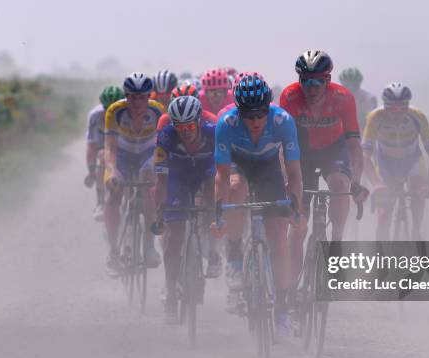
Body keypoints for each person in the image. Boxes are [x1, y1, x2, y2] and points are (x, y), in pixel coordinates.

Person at [210, 74, 303, 337]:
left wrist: (297, 210)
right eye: (248, 115)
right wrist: (219, 215)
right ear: (238, 111)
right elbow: (221, 176)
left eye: (260, 113)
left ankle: (283, 308)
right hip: (239, 164)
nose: (254, 121)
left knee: (279, 241)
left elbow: (294, 173)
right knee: (237, 188)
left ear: (268, 108)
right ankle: (235, 254)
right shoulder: (226, 123)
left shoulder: (283, 121)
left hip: (269, 167)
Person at [280, 50, 368, 292]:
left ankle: (336, 243)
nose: (312, 87)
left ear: (328, 80)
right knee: (298, 227)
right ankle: (289, 287)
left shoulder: (343, 98)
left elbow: (353, 145)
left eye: (318, 80)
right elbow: (283, 145)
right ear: (300, 81)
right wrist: (287, 181)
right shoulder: (289, 97)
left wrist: (356, 182)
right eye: (306, 81)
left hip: (333, 149)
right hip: (302, 152)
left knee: (341, 184)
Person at [154, 96, 220, 324]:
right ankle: (171, 291)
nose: (186, 132)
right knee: (174, 236)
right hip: (178, 178)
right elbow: (161, 181)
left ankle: (213, 251)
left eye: (190, 126)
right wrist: (159, 213)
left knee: (212, 199)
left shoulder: (213, 133)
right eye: (180, 127)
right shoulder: (165, 136)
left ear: (200, 121)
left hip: (205, 174)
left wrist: (215, 212)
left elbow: (218, 177)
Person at [103, 72, 165, 272]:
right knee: (113, 195)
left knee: (149, 189)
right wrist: (112, 172)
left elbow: (162, 147)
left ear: (149, 96)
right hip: (122, 155)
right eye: (132, 97)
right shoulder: (115, 111)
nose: (137, 102)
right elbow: (110, 148)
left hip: (146, 154)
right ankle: (113, 251)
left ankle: (149, 247)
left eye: (142, 97)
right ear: (126, 96)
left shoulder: (158, 111)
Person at [363, 82, 429, 241]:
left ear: (408, 106)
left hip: (412, 161)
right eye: (392, 108)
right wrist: (376, 184)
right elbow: (365, 156)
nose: (397, 113)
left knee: (418, 192)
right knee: (384, 214)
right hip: (386, 164)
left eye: (402, 108)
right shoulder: (374, 118)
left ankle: (416, 232)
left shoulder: (418, 117)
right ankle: (382, 259)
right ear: (384, 107)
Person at [84, 85, 124, 221]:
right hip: (103, 146)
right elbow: (91, 146)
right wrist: (91, 171)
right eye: (107, 108)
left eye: (115, 108)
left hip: (123, 146)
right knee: (101, 155)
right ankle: (100, 201)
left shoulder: (128, 113)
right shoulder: (94, 115)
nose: (110, 112)